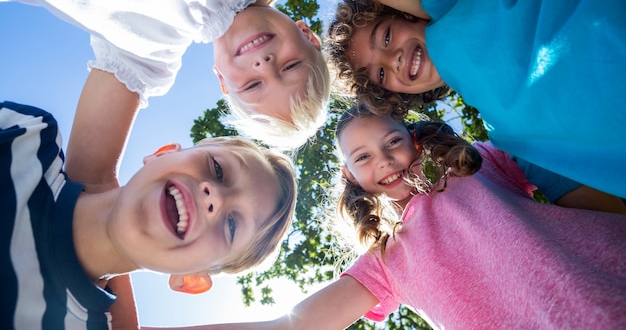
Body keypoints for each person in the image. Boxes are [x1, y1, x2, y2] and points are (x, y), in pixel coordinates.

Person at [139, 105, 626, 330]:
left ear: (414, 139)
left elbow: (577, 185)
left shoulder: (478, 163)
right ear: (351, 178)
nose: (386, 160)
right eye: (364, 158)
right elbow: (291, 326)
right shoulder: (387, 263)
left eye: (392, 141)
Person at [0, 0, 426, 150]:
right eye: (291, 65)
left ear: (222, 82)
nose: (264, 63)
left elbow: (91, 178)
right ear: (307, 34)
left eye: (255, 84)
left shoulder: (149, 53)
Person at [299, 0, 626, 198]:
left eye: (385, 36)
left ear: (401, 12)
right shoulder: (514, 141)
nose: (393, 60)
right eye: (381, 74)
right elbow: (601, 233)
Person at [0, 71, 298, 330]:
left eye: (232, 225)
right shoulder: (29, 138)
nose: (215, 198)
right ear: (163, 153)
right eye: (218, 170)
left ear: (191, 278)